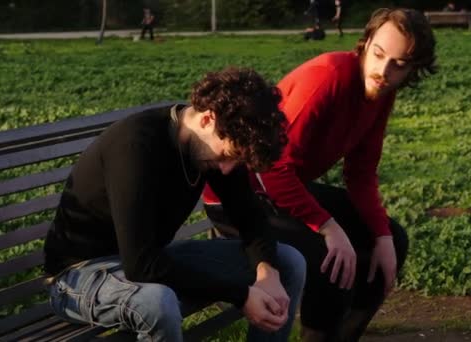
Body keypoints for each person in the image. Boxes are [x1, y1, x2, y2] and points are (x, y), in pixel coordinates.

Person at [203, 8, 437, 341]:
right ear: (365, 43)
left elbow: (360, 172)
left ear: (413, 69)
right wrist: (328, 227)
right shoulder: (328, 77)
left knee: (391, 239)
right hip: (239, 195)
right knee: (332, 261)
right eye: (379, 55)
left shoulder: (380, 95)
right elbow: (271, 167)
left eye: (398, 64)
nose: (384, 71)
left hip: (282, 190)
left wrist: (382, 237)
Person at [43, 68, 306, 342]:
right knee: (158, 303)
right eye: (228, 155)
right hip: (79, 276)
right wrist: (242, 295)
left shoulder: (215, 143)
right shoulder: (136, 146)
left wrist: (267, 271)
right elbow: (141, 265)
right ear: (207, 119)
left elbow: (250, 217)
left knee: (289, 262)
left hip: (150, 259)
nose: (227, 169)